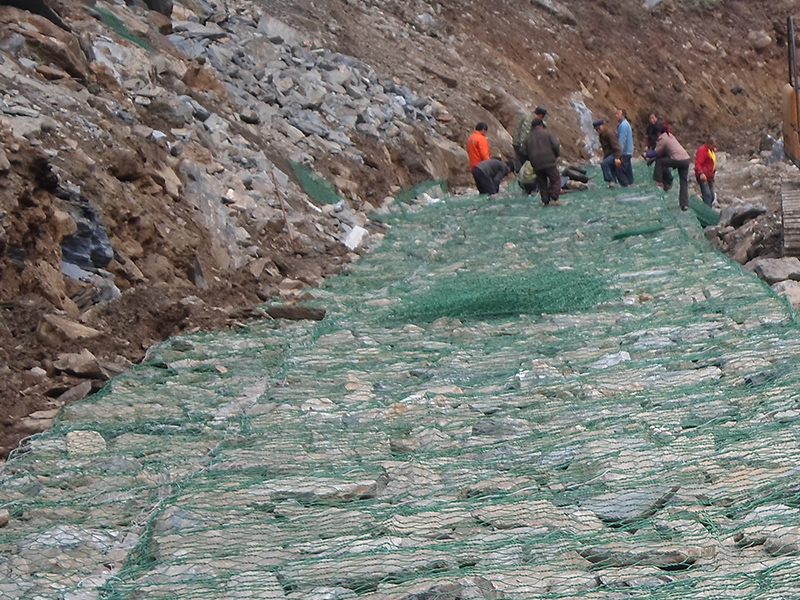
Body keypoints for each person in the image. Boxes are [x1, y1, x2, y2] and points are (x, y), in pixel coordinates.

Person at [646, 123, 692, 211]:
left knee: (660, 162)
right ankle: (684, 204)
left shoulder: (663, 138)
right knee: (683, 183)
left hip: (678, 160)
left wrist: (647, 154)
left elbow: (656, 152)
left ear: (658, 132)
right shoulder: (670, 136)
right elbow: (663, 153)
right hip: (686, 159)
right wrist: (652, 160)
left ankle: (659, 181)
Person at [517, 118, 561, 206]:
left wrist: (530, 159)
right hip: (549, 161)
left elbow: (522, 151)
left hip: (536, 164)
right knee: (555, 179)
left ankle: (545, 201)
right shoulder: (547, 133)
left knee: (542, 182)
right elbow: (556, 145)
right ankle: (554, 195)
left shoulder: (527, 138)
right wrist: (556, 155)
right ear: (541, 125)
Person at [593, 119, 622, 188]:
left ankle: (610, 181)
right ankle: (614, 183)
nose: (598, 131)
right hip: (609, 155)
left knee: (604, 164)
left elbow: (617, 147)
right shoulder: (601, 135)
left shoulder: (609, 133)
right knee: (612, 170)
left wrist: (617, 158)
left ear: (602, 126)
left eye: (599, 128)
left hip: (615, 154)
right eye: (596, 129)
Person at [467, 122, 491, 191]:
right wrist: (489, 166)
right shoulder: (481, 139)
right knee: (488, 190)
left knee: (481, 189)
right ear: (483, 129)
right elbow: (484, 154)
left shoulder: (470, 138)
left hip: (473, 167)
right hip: (482, 168)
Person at [694, 136, 717, 207]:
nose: (715, 147)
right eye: (713, 145)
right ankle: (707, 210)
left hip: (709, 176)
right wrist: (701, 173)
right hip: (703, 176)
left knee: (712, 195)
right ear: (709, 144)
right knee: (707, 194)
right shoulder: (702, 151)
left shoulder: (711, 151)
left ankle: (706, 206)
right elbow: (698, 163)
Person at [615, 109, 634, 186]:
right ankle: (631, 183)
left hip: (625, 152)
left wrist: (618, 153)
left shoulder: (623, 125)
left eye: (618, 114)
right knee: (628, 170)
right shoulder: (625, 124)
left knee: (619, 169)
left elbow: (622, 140)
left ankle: (625, 185)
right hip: (628, 151)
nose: (616, 115)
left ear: (622, 115)